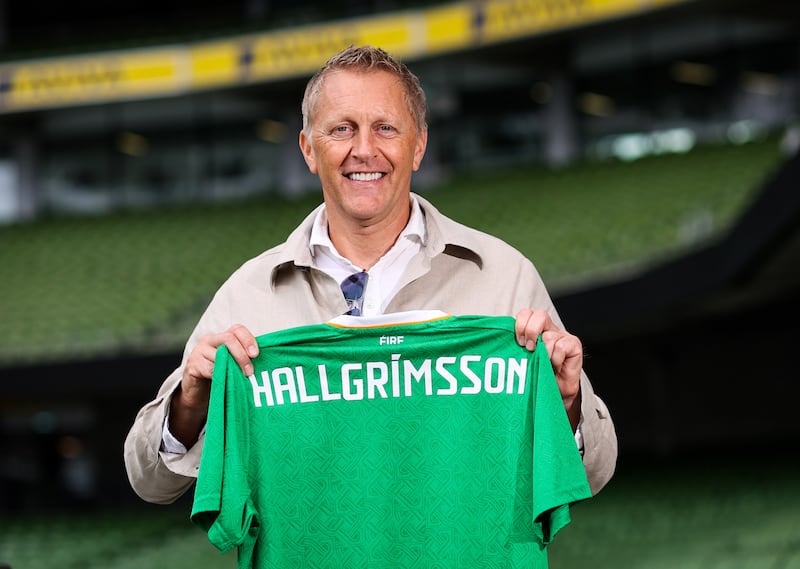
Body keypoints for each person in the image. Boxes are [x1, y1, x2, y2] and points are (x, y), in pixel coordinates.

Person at [124, 45, 616, 507]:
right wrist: (189, 406)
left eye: (386, 128)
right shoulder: (249, 294)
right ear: (308, 149)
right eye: (341, 129)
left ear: (418, 146)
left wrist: (567, 403)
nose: (364, 149)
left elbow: (592, 474)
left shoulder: (504, 276)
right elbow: (151, 484)